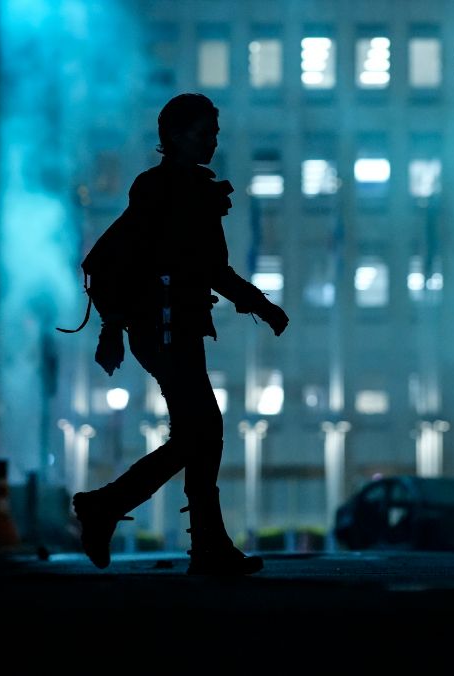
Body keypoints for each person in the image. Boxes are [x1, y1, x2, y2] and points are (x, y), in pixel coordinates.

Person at [72, 93, 288, 575]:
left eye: (213, 131)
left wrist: (260, 304)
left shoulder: (193, 188)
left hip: (176, 324)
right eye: (203, 131)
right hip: (162, 324)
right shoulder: (160, 189)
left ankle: (201, 544)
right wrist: (260, 305)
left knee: (201, 433)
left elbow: (211, 267)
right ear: (173, 135)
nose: (212, 140)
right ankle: (110, 507)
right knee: (202, 431)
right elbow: (151, 260)